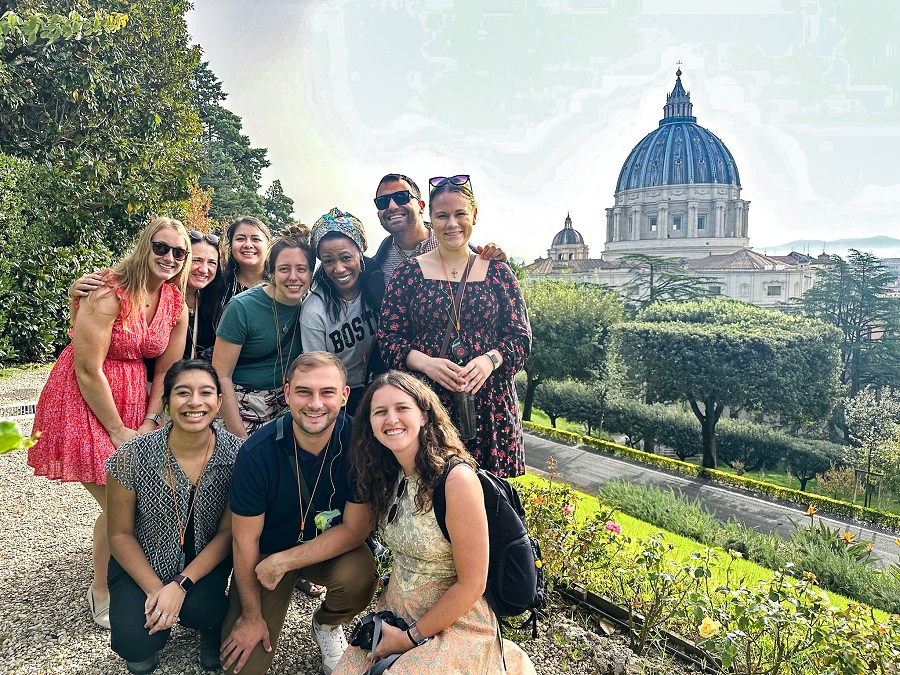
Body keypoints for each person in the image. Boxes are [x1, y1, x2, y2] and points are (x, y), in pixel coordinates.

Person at [28, 216, 191, 628]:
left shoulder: (176, 304)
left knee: (128, 500)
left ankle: (123, 577)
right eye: (161, 247)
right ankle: (101, 588)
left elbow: (166, 372)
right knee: (120, 502)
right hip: (86, 398)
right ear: (145, 246)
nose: (169, 257)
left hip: (135, 402)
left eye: (179, 252)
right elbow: (87, 369)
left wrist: (152, 419)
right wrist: (119, 431)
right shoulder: (108, 291)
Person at [333, 371, 536, 675]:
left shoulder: (455, 480)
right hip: (396, 610)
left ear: (424, 415)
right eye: (380, 411)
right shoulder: (386, 472)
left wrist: (409, 638)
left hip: (456, 619)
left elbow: (472, 584)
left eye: (402, 408)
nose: (391, 419)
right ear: (370, 424)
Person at [219, 352, 378, 675]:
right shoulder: (256, 453)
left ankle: (327, 623)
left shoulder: (361, 446)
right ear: (288, 392)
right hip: (265, 556)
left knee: (360, 576)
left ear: (345, 395)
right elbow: (244, 541)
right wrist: (251, 616)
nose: (315, 404)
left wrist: (286, 561)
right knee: (242, 668)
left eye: (327, 392)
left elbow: (355, 530)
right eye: (304, 391)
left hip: (324, 549)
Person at [378, 176, 532, 478]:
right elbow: (388, 339)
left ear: (474, 215)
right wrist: (426, 363)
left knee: (490, 499)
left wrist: (489, 361)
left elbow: (520, 338)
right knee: (431, 492)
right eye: (442, 216)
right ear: (430, 218)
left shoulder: (498, 272)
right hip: (428, 404)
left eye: (460, 214)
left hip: (490, 406)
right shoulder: (408, 273)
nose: (452, 224)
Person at [105, 359, 243, 674]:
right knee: (134, 641)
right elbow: (120, 534)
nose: (195, 402)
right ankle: (149, 627)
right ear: (166, 402)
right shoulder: (131, 456)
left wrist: (179, 585)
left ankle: (210, 626)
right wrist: (157, 591)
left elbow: (227, 534)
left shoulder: (238, 456)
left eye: (206, 393)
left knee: (203, 608)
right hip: (144, 560)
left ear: (219, 402)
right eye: (183, 393)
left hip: (203, 564)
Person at [213, 225, 312, 438]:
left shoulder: (310, 307)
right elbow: (221, 374)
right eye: (284, 269)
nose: (293, 277)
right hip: (238, 407)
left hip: (283, 408)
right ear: (272, 272)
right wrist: (238, 436)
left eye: (301, 269)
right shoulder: (242, 307)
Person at [69, 229, 225, 360]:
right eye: (197, 260)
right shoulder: (141, 291)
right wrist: (75, 296)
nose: (204, 269)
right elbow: (84, 337)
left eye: (212, 262)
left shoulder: (215, 302)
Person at [302, 208, 385, 415]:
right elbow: (317, 369)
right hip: (338, 393)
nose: (339, 269)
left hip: (380, 382)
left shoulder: (377, 289)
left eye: (346, 258)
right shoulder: (315, 310)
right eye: (328, 261)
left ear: (360, 252)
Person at [371, 172, 505, 284]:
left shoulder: (454, 244)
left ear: (421, 206)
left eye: (401, 197)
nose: (392, 206)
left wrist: (500, 263)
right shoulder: (375, 267)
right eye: (383, 201)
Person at [221, 216, 272, 309]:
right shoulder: (218, 286)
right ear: (231, 245)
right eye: (240, 239)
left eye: (256, 239)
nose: (248, 245)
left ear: (268, 245)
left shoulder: (280, 285)